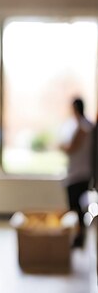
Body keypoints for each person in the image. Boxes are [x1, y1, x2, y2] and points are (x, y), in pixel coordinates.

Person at [60, 97, 94, 247]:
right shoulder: (88, 126)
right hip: (82, 173)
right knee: (78, 207)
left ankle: (79, 237)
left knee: (76, 208)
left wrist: (62, 146)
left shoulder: (83, 127)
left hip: (78, 174)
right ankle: (80, 235)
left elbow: (71, 148)